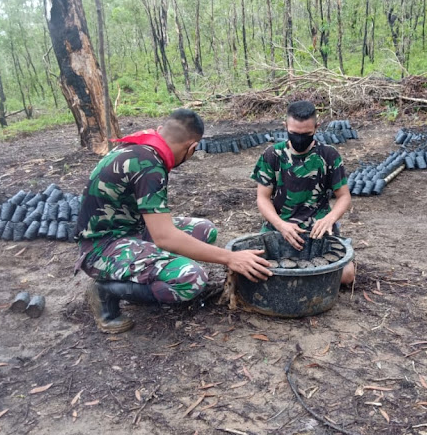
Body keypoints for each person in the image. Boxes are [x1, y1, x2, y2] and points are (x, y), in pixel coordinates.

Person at [75, 109, 272, 333]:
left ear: (161, 130)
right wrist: (230, 257)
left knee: (204, 230)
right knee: (193, 279)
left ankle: (141, 277)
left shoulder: (143, 145)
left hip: (129, 231)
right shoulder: (148, 164)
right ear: (192, 148)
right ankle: (106, 291)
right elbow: (164, 237)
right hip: (100, 249)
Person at [251, 100, 356, 284]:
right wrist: (281, 225)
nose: (299, 138)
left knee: (347, 275)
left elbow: (344, 196)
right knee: (257, 269)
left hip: (317, 229)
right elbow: (262, 198)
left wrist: (329, 219)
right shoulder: (272, 155)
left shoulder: (329, 155)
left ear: (317, 127)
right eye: (294, 133)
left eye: (306, 134)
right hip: (279, 226)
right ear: (285, 127)